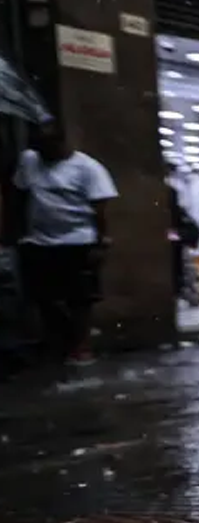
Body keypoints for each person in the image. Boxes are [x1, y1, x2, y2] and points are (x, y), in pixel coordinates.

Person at [12, 118, 115, 364]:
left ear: (61, 143)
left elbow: (100, 209)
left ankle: (81, 346)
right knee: (42, 297)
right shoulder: (29, 161)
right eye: (39, 147)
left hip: (77, 241)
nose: (43, 153)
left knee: (80, 299)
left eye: (48, 147)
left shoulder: (87, 168)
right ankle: (62, 340)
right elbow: (19, 193)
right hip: (39, 241)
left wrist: (100, 243)